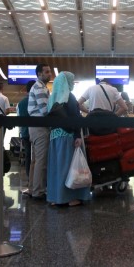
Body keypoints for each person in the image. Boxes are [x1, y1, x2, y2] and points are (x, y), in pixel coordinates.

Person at [46, 71, 90, 207]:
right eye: (72, 81)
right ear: (67, 83)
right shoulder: (69, 97)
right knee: (68, 168)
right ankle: (71, 197)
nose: (73, 85)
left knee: (56, 167)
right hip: (68, 137)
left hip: (54, 138)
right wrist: (77, 136)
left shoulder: (53, 97)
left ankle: (56, 197)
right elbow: (75, 119)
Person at [27, 63, 53, 200]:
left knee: (36, 160)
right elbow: (45, 111)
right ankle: (38, 192)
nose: (49, 74)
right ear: (39, 74)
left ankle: (32, 189)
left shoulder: (39, 87)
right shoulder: (40, 88)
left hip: (34, 127)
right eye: (47, 72)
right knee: (41, 161)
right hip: (40, 127)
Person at [16, 80, 35, 193]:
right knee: (37, 157)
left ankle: (29, 178)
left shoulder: (20, 103)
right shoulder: (35, 101)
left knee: (28, 155)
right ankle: (37, 178)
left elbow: (18, 118)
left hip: (25, 133)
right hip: (37, 131)